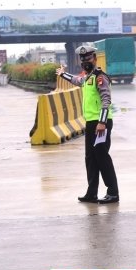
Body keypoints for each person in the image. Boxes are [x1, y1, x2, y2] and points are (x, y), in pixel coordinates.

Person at [55, 46, 119, 204]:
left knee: (102, 157)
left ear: (95, 58)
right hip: (91, 124)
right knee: (90, 158)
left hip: (100, 124)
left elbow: (106, 100)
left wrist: (102, 122)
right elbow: (77, 81)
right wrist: (62, 74)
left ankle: (113, 192)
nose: (85, 62)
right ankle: (92, 193)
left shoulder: (100, 77)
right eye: (82, 60)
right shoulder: (88, 77)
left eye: (88, 58)